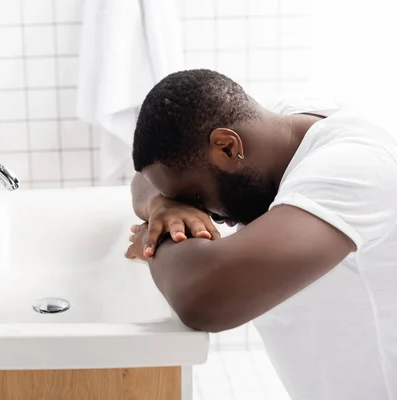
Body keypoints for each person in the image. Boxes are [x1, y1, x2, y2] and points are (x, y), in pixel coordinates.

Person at [125, 69, 397, 400]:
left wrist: (156, 239)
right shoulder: (265, 128)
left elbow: (206, 299)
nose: (204, 214)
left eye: (195, 197)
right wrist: (160, 207)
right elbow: (146, 178)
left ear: (227, 148)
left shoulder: (354, 167)